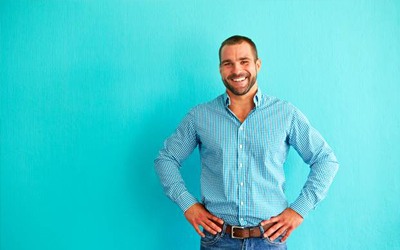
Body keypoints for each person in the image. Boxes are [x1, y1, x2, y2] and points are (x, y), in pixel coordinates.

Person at [154, 35, 339, 250]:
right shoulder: (200, 116)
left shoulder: (285, 114)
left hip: (269, 241)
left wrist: (299, 210)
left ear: (257, 65)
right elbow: (165, 159)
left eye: (244, 61)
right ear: (221, 69)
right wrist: (188, 205)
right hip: (218, 241)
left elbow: (326, 160)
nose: (236, 70)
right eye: (228, 64)